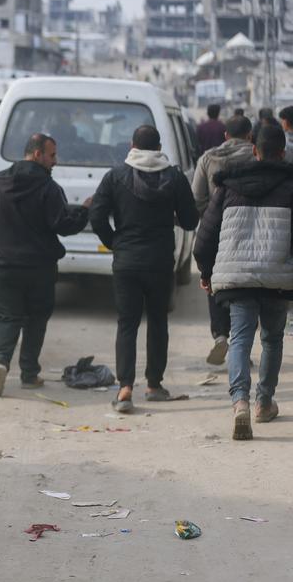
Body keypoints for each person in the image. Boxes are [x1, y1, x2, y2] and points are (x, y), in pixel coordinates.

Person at [0, 133, 91, 397]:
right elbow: (63, 225)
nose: (55, 162)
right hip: (40, 267)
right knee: (36, 319)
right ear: (37, 154)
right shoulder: (48, 188)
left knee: (7, 316)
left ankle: (0, 362)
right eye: (52, 155)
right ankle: (29, 374)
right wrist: (83, 210)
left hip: (3, 265)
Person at [193, 124, 293, 440]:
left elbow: (204, 236)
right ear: (283, 151)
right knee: (272, 340)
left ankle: (239, 403)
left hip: (236, 276)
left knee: (239, 338)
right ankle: (264, 403)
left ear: (253, 148)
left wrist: (206, 273)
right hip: (277, 276)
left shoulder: (228, 186)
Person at [89, 125, 199, 412]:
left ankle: (125, 387)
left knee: (127, 323)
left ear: (132, 146)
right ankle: (154, 385)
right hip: (160, 261)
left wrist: (114, 242)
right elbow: (190, 220)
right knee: (158, 322)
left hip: (126, 260)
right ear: (159, 147)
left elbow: (97, 215)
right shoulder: (174, 177)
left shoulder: (115, 176)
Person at [191, 115, 255, 365]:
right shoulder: (259, 156)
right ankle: (242, 344)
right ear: (250, 136)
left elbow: (197, 198)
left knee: (215, 281)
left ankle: (220, 334)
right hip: (251, 230)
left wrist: (213, 215)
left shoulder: (208, 158)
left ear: (226, 135)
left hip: (217, 231)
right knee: (247, 287)